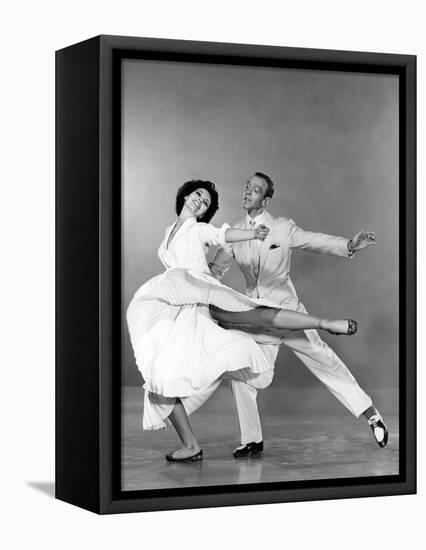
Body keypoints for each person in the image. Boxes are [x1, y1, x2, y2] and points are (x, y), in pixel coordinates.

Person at [127, 179, 359, 462]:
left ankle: (325, 324)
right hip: (177, 303)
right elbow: (214, 263)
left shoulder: (200, 229)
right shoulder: (168, 232)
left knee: (256, 312)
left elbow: (222, 235)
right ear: (186, 195)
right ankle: (191, 446)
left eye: (207, 202)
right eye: (198, 195)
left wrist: (251, 235)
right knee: (158, 382)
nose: (201, 200)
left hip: (200, 299)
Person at [209, 172, 389, 458]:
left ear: (266, 199)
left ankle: (372, 415)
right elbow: (215, 271)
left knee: (326, 361)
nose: (247, 193)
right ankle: (252, 440)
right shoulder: (235, 233)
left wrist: (349, 246)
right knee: (242, 372)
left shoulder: (282, 228)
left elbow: (314, 241)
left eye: (255, 190)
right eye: (247, 187)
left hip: (290, 315)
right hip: (257, 320)